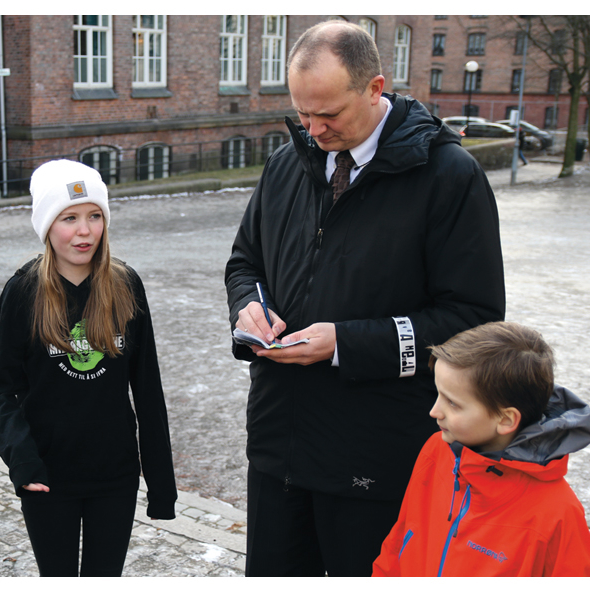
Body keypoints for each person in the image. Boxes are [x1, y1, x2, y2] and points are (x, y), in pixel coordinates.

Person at [224, 21, 505, 576]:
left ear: (375, 87)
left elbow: (473, 323)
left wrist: (344, 345)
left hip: (376, 458)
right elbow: (244, 263)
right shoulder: (287, 163)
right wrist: (248, 307)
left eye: (329, 114)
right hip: (278, 446)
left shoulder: (449, 176)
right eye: (303, 112)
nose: (313, 129)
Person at [0, 159, 177, 576]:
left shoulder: (125, 286)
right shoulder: (23, 292)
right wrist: (23, 462)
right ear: (47, 225)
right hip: (48, 477)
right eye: (69, 218)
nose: (84, 231)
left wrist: (162, 487)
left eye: (94, 216)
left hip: (114, 477)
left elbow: (147, 390)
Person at [373, 322, 590, 576]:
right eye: (438, 394)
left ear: (506, 420)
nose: (434, 411)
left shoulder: (558, 514)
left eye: (453, 403)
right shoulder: (436, 450)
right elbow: (399, 540)